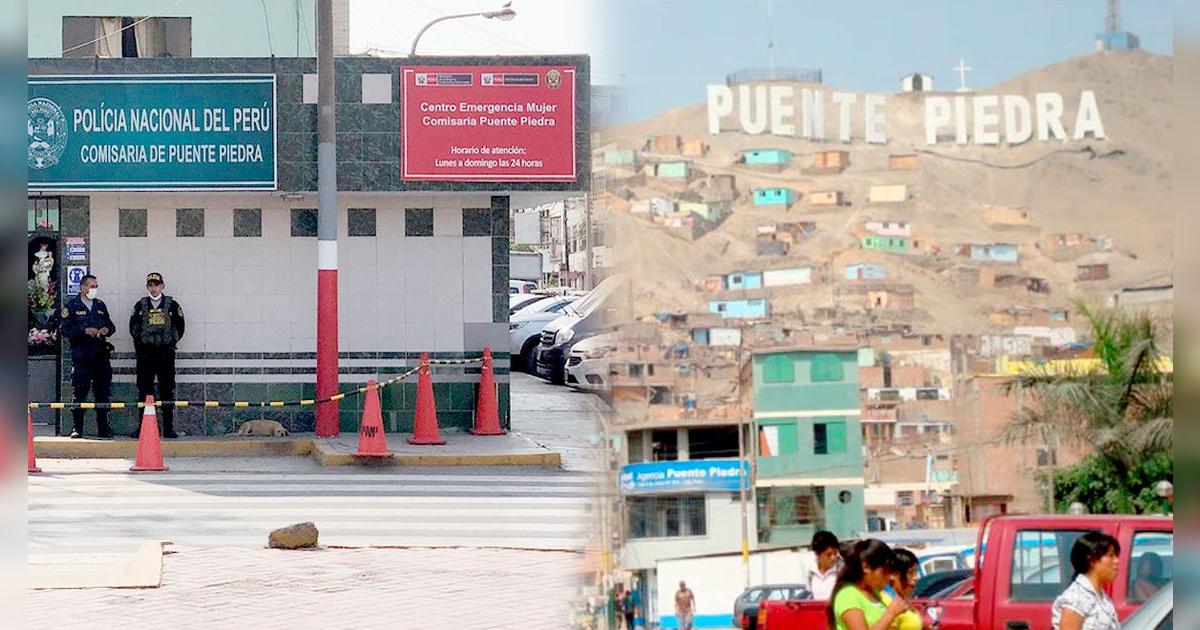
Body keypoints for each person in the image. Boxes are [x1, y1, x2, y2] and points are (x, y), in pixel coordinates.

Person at [129, 272, 185, 438]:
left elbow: (180, 326)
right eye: (151, 285)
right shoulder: (140, 305)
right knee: (144, 391)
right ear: (147, 287)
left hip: (165, 354)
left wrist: (169, 340)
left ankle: (168, 428)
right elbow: (133, 327)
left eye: (157, 285)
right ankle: (143, 428)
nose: (154, 288)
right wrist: (142, 343)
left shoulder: (172, 305)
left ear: (162, 286)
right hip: (146, 355)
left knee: (167, 390)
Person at [59, 275, 115, 439]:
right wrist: (84, 331)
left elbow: (111, 326)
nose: (94, 289)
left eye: (96, 286)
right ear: (83, 287)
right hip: (82, 356)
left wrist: (106, 330)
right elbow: (64, 330)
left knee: (102, 393)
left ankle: (103, 428)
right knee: (80, 392)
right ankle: (77, 428)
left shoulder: (100, 305)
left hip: (100, 355)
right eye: (92, 286)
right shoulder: (72, 306)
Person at [828, 539, 909, 630]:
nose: (889, 577)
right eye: (885, 571)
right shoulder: (847, 595)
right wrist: (890, 613)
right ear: (866, 567)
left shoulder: (874, 592)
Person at [1051, 531, 1121, 630]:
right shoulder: (1076, 598)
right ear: (1092, 560)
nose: (1117, 561)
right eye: (1110, 556)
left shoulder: (1103, 599)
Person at [883, 548, 924, 630]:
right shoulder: (887, 602)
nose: (916, 577)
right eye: (911, 573)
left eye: (916, 572)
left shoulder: (901, 599)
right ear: (893, 574)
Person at [808, 530, 843, 600]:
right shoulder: (811, 572)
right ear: (817, 554)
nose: (833, 557)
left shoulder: (843, 570)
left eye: (835, 553)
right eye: (828, 555)